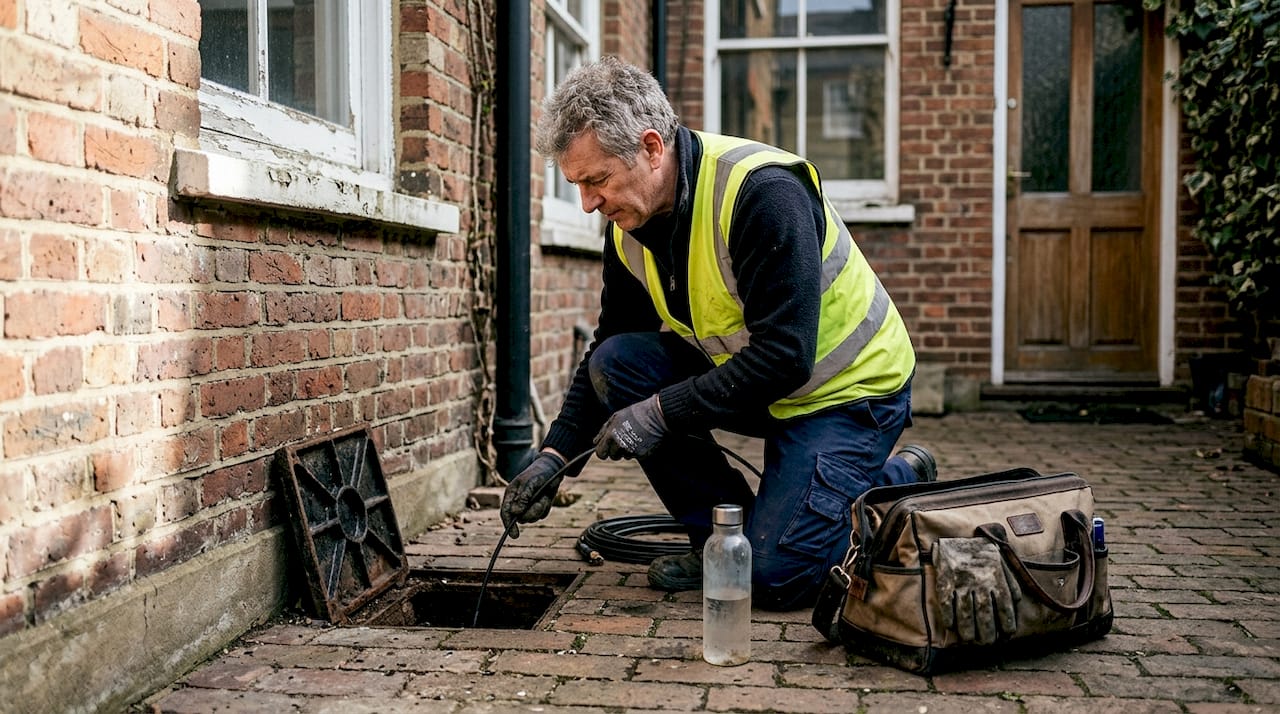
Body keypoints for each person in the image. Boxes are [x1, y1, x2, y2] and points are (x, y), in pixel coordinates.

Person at [500, 56, 935, 611]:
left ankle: (891, 480)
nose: (588, 203)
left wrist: (660, 413)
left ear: (651, 148)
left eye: (597, 180)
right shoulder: (629, 224)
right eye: (576, 185)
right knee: (617, 363)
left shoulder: (763, 194)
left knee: (777, 579)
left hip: (845, 393)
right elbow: (608, 344)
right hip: (760, 386)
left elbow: (785, 356)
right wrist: (553, 456)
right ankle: (717, 541)